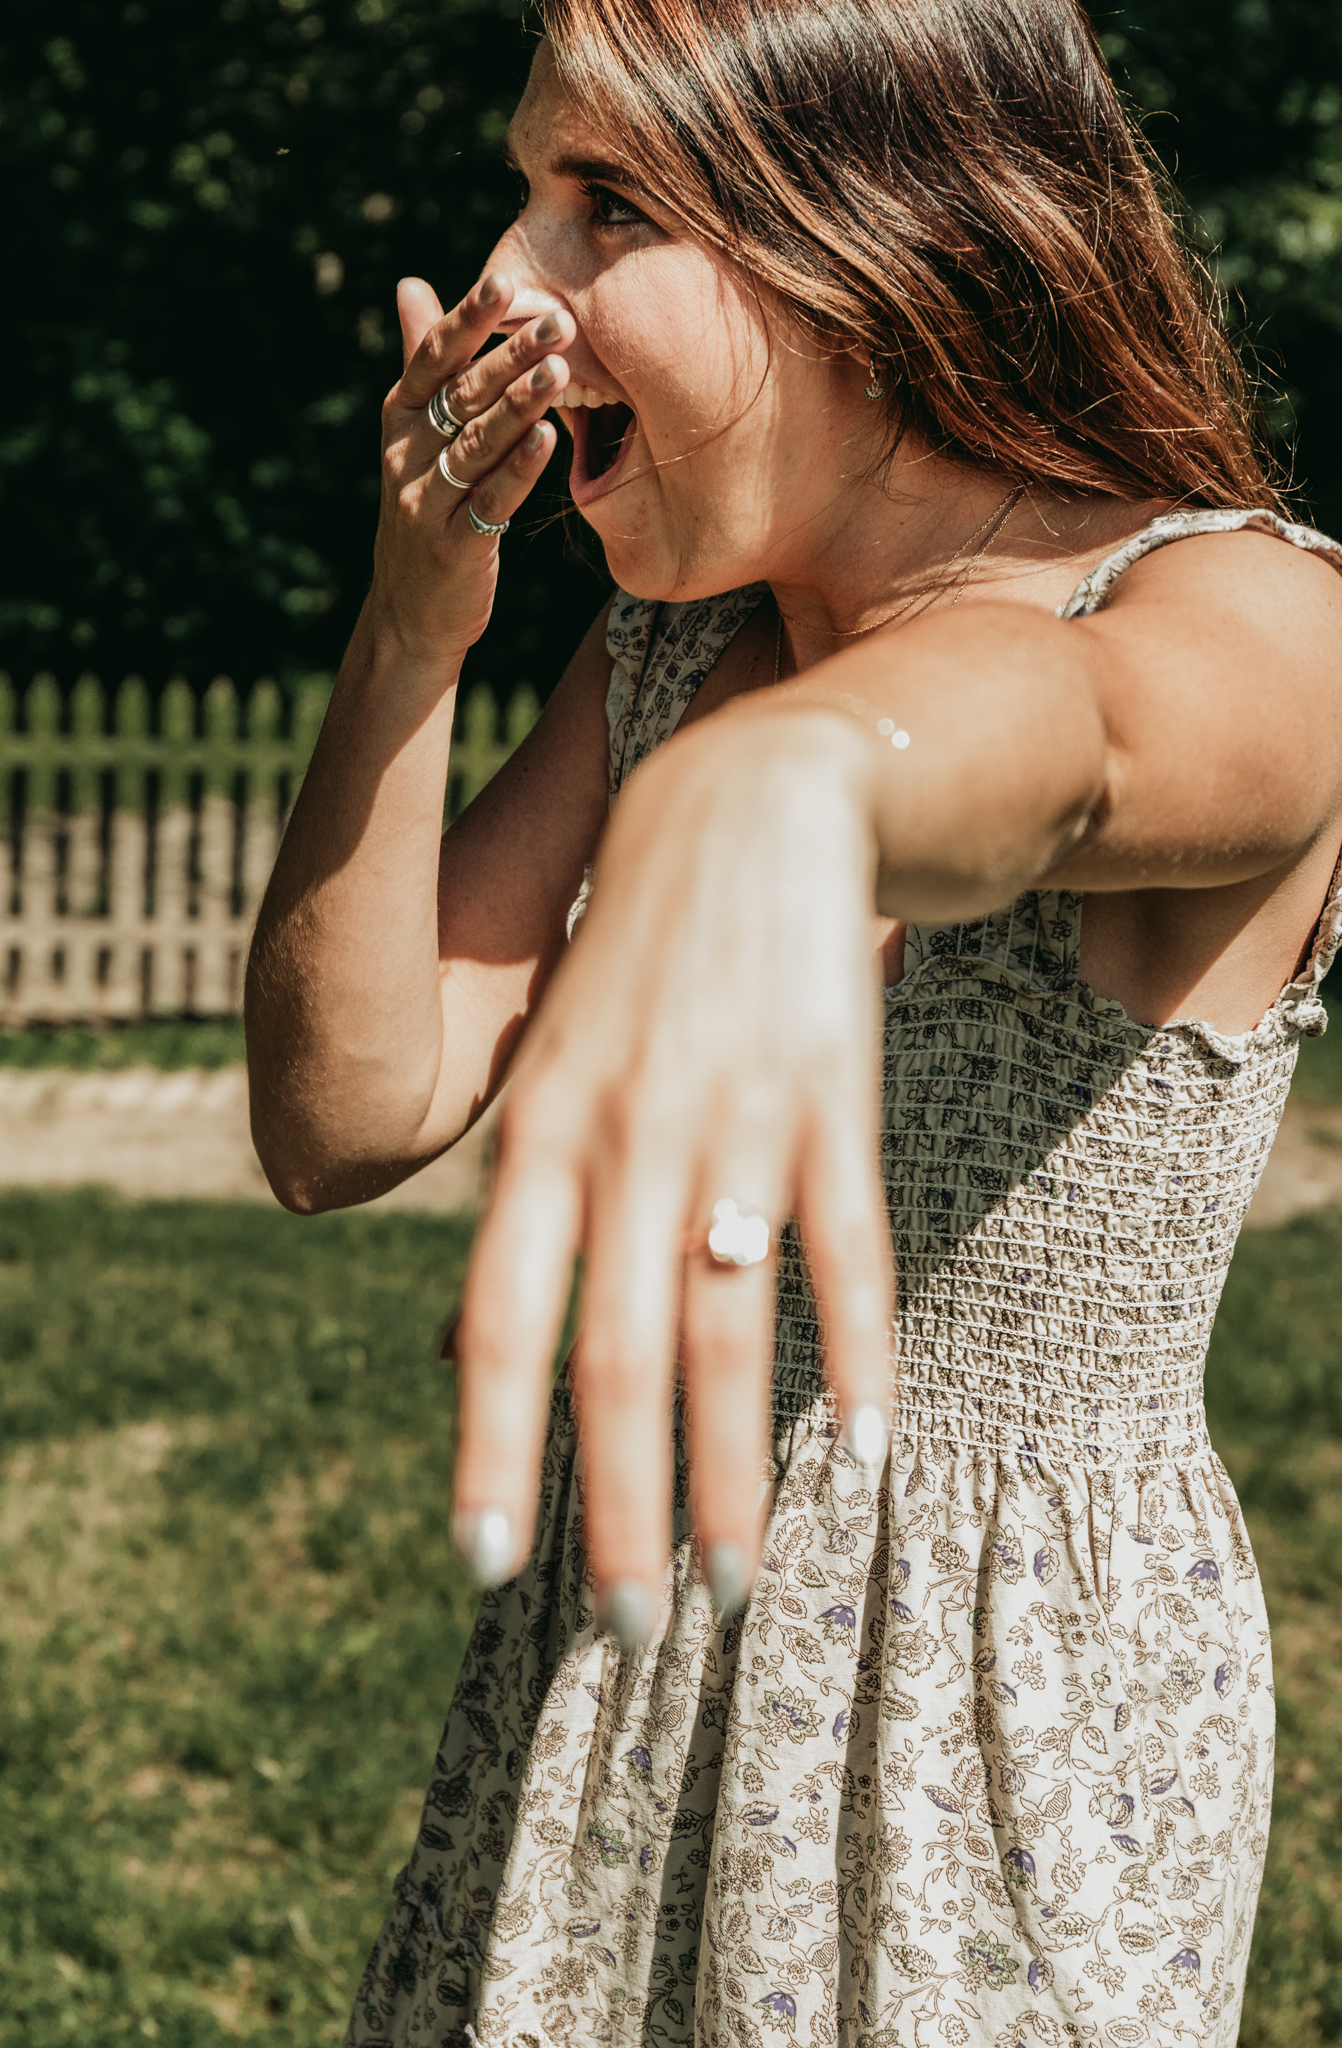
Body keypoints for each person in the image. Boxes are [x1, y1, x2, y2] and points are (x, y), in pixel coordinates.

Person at [244, 0, 1342, 2041]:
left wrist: (802, 779)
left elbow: (1076, 741)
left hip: (979, 1766)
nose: (500, 285)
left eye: (604, 204)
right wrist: (414, 622)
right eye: (518, 198)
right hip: (614, 1690)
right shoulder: (668, 648)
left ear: (873, 238)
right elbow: (344, 1107)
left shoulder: (1240, 610)